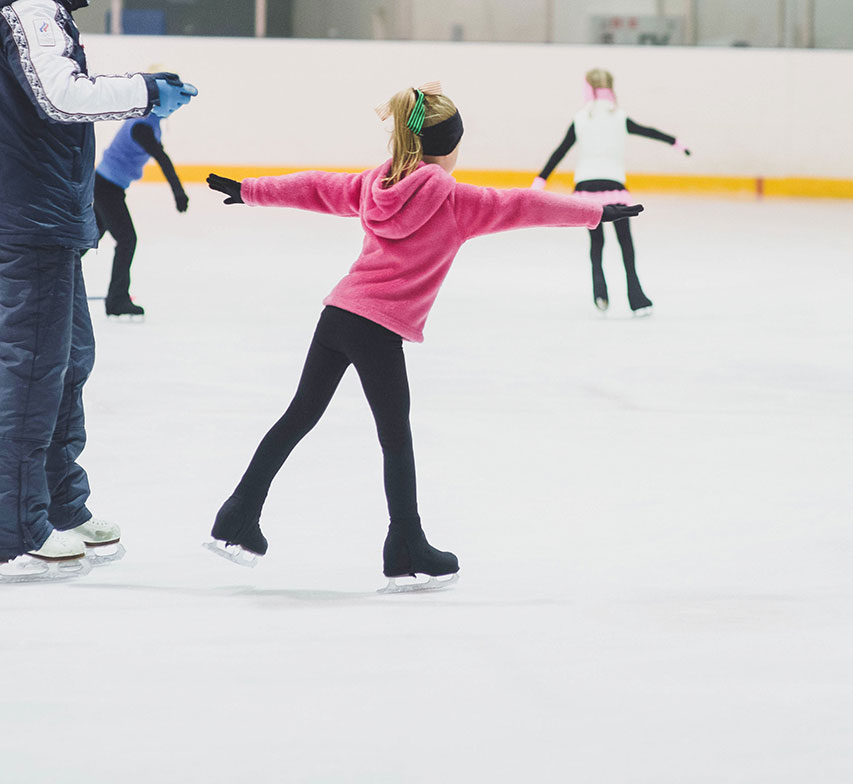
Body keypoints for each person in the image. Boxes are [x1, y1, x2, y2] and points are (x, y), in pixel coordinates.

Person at [204, 82, 642, 591]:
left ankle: (239, 513)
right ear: (452, 145)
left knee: (299, 415)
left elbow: (318, 186)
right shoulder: (456, 201)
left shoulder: (376, 183)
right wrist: (595, 212)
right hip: (377, 328)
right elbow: (522, 204)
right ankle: (406, 544)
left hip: (338, 316)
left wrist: (250, 190)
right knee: (396, 439)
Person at [0, 0, 196, 581]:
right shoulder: (29, 10)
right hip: (30, 220)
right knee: (34, 371)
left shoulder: (48, 15)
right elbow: (61, 95)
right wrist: (143, 90)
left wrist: (145, 90)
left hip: (52, 218)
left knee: (67, 365)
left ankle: (59, 504)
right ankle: (16, 525)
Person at [533, 67, 689, 315]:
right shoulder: (620, 117)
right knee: (625, 243)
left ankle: (600, 293)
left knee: (597, 242)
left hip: (586, 187)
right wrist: (676, 143)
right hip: (614, 186)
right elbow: (649, 132)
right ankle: (636, 298)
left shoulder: (581, 118)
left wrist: (540, 180)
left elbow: (560, 151)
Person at [94, 103, 190, 317]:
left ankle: (49, 278)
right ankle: (116, 300)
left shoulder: (148, 121)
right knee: (127, 239)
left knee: (89, 237)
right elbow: (161, 158)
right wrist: (178, 191)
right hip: (106, 188)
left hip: (107, 186)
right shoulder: (142, 126)